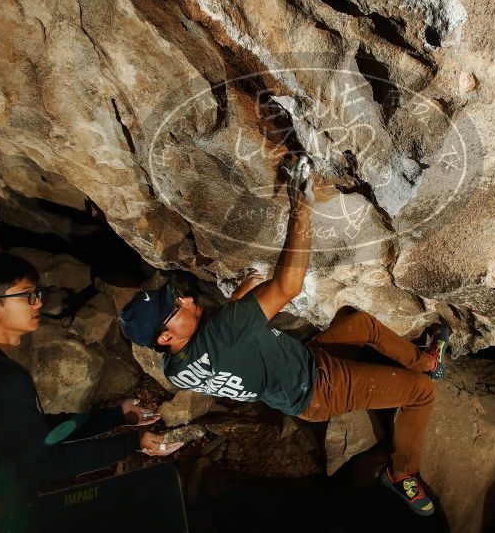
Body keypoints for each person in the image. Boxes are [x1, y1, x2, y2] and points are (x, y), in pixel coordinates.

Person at [118, 156, 448, 516]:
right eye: (174, 307)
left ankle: (427, 359)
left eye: (176, 296)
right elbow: (287, 286)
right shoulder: (220, 334)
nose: (183, 299)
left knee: (362, 325)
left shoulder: (173, 367)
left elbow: (223, 337)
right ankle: (400, 474)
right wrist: (300, 207)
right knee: (421, 393)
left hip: (301, 370)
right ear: (165, 337)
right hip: (322, 389)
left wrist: (241, 295)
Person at [0, 253, 181, 532]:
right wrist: (133, 443)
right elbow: (45, 462)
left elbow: (33, 433)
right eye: (27, 295)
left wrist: (115, 417)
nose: (38, 302)